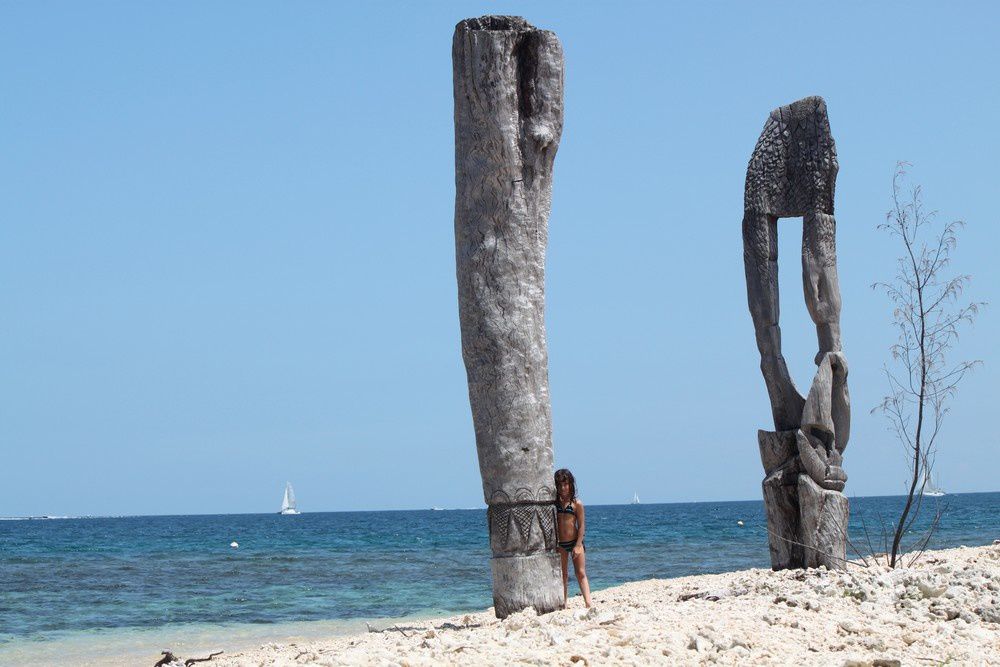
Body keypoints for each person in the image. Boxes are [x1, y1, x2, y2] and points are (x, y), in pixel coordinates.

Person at [554, 468, 592, 608]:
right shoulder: (555, 504)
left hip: (575, 542)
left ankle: (588, 603)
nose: (563, 488)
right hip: (561, 544)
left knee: (580, 573)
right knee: (563, 575)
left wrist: (578, 545)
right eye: (560, 485)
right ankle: (563, 604)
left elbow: (581, 525)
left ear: (571, 484)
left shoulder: (577, 504)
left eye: (566, 484)